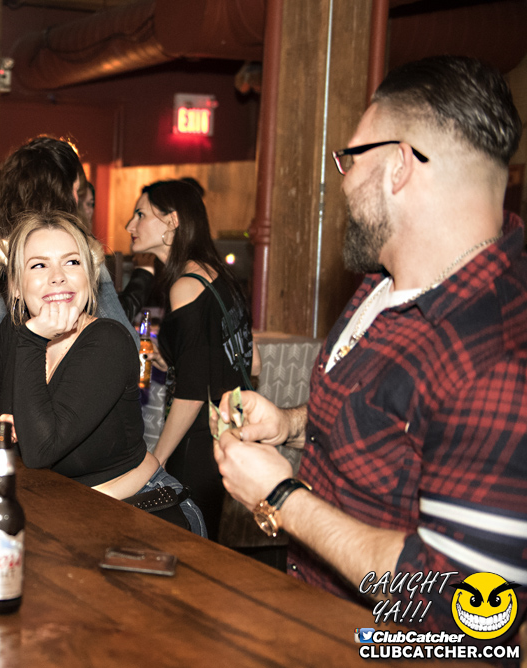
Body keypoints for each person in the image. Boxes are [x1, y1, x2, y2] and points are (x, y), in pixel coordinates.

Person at [214, 56, 526, 641]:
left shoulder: (497, 354)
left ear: (399, 166)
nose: (343, 179)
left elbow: (466, 611)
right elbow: (391, 432)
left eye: (351, 158)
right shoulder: (384, 283)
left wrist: (281, 497)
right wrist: (289, 426)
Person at [0, 211, 206, 535]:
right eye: (39, 265)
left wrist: (34, 340)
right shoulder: (16, 329)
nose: (58, 277)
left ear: (89, 277)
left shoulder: (108, 341)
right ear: (16, 286)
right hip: (63, 515)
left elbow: (41, 450)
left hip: (140, 512)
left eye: (72, 262)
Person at [125, 179, 255, 541]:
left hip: (195, 441)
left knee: (183, 545)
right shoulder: (219, 276)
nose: (130, 225)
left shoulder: (185, 286)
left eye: (140, 214)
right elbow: (251, 360)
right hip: (225, 435)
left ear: (172, 222)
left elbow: (193, 391)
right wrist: (175, 358)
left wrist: (158, 459)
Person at [0, 136, 137, 385]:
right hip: (49, 393)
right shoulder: (76, 254)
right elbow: (125, 340)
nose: (77, 200)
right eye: (76, 191)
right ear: (62, 191)